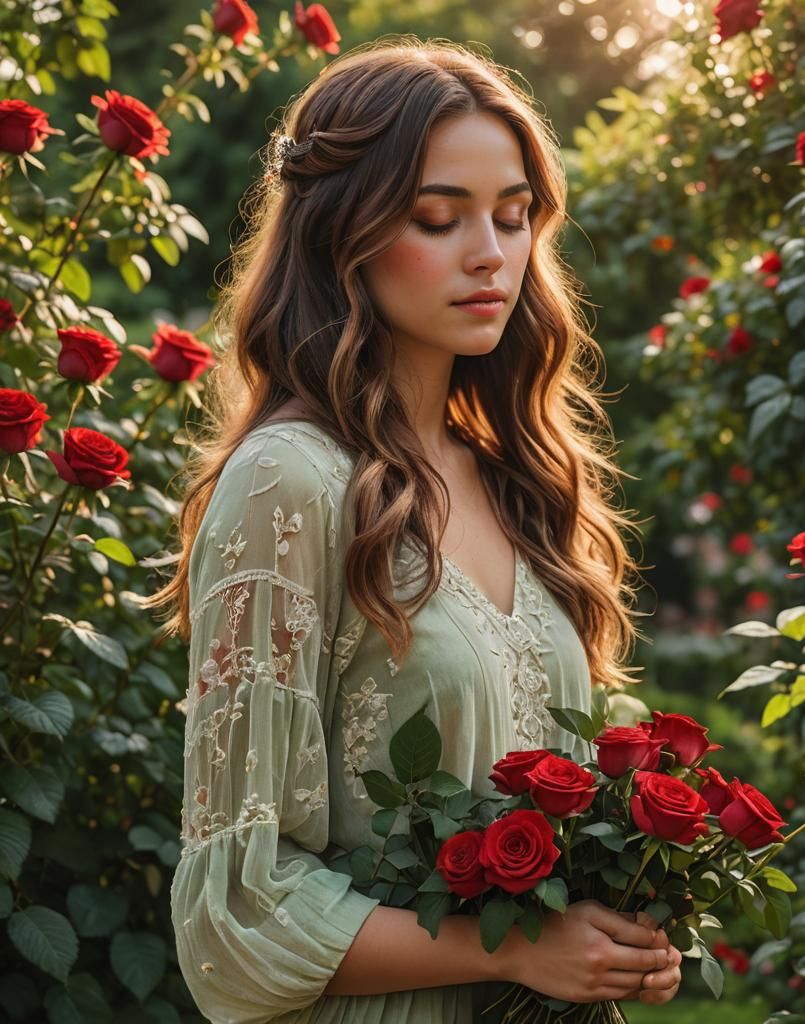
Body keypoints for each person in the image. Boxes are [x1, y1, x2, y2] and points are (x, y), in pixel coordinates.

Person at [147, 37, 682, 1024]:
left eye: (513, 216)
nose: (491, 253)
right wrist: (520, 946)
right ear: (340, 233)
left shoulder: (517, 479)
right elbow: (236, 906)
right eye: (439, 218)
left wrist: (620, 929)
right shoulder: (287, 480)